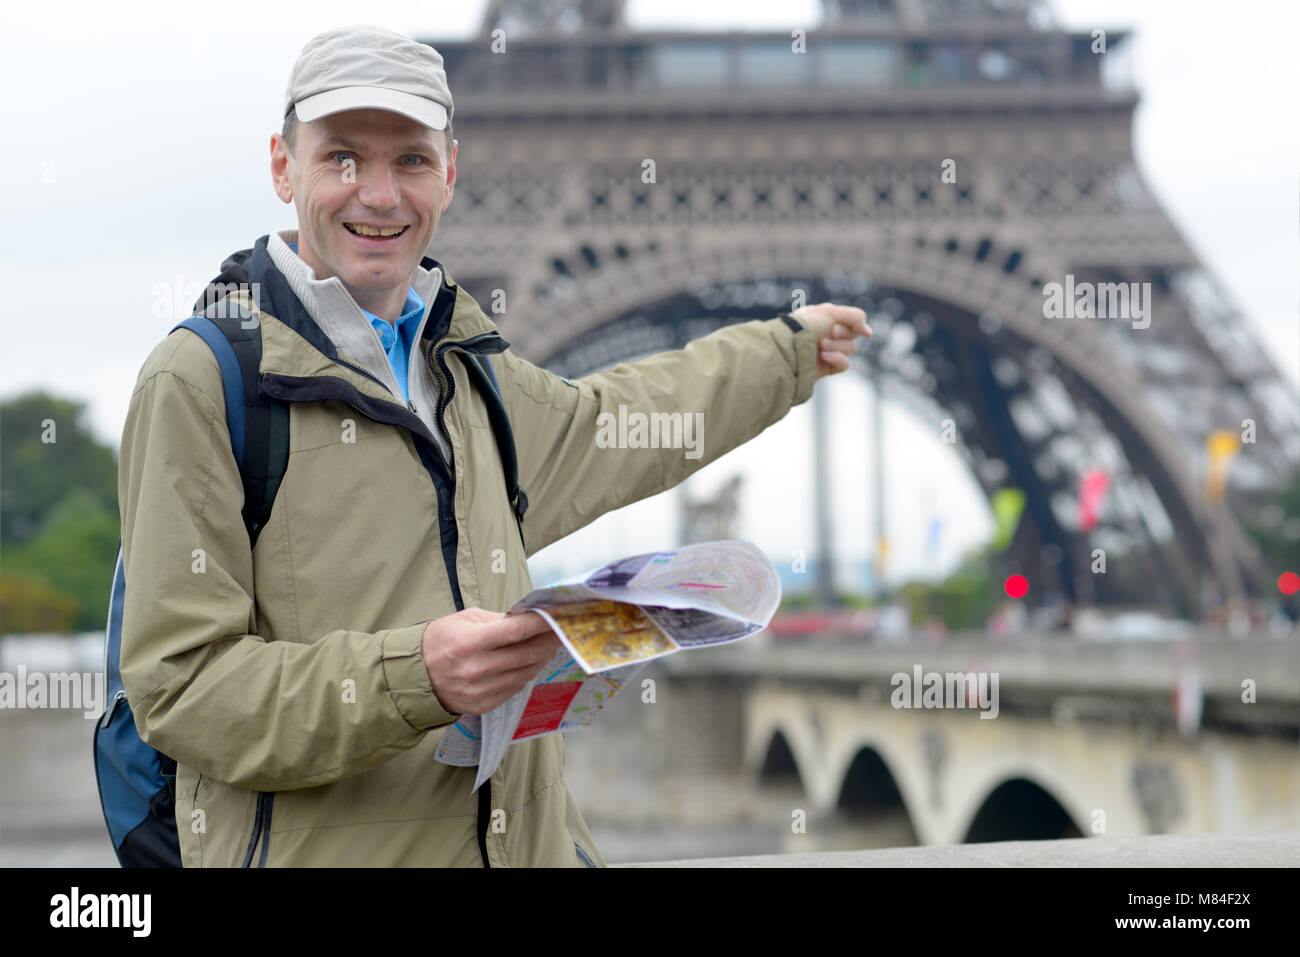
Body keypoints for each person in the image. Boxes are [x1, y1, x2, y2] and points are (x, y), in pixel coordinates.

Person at [116, 24, 871, 867]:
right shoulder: (199, 380)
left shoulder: (471, 375)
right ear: (282, 165)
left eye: (410, 159)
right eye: (341, 158)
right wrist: (419, 676)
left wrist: (784, 350)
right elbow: (181, 692)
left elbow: (623, 417)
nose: (378, 194)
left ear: (451, 170)